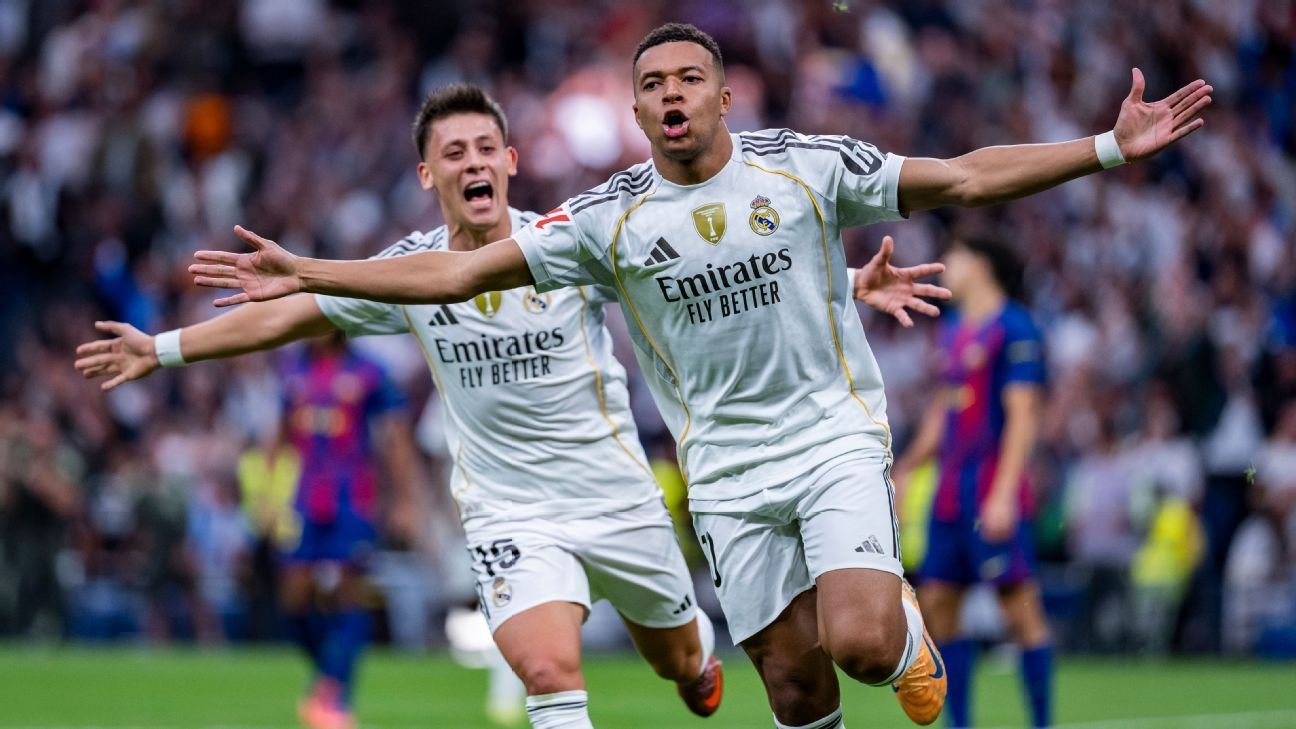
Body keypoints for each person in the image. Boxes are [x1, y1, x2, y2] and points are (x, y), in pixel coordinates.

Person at [183, 23, 1211, 728]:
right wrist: (310, 269)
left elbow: (968, 177)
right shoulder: (607, 219)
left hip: (829, 438)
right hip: (722, 471)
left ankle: (905, 645)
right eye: (652, 84)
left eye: (687, 79)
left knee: (857, 641)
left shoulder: (803, 168)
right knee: (797, 690)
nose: (670, 94)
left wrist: (1106, 149)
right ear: (636, 110)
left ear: (723, 96)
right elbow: (453, 272)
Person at [75, 83, 947, 729]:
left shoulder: (564, 244)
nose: (474, 163)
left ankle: (697, 663)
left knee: (686, 666)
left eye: (486, 147)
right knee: (546, 669)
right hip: (510, 511)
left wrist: (839, 284)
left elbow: (696, 278)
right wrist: (164, 347)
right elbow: (297, 314)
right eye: (454, 152)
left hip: (617, 497)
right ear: (429, 173)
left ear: (511, 161)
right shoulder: (411, 272)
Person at [888, 237, 1051, 728]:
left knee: (1017, 609)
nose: (947, 267)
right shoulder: (954, 330)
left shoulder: (1015, 327)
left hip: (991, 485)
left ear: (982, 263)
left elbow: (1023, 414)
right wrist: (908, 465)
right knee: (938, 602)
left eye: (955, 258)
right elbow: (945, 408)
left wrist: (1004, 493)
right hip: (950, 491)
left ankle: (1042, 722)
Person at [280, 330, 421, 729]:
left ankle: (335, 695)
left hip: (352, 498)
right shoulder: (292, 369)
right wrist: (269, 495)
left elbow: (395, 438)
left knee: (349, 593)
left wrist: (405, 501)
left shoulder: (370, 371)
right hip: (303, 499)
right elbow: (281, 434)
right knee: (293, 599)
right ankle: (328, 673)